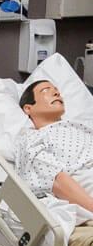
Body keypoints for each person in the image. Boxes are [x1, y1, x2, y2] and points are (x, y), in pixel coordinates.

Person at [16, 80, 93, 211]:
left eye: (56, 90)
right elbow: (56, 180)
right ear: (28, 108)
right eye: (46, 90)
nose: (56, 93)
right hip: (83, 179)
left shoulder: (79, 127)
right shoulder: (32, 138)